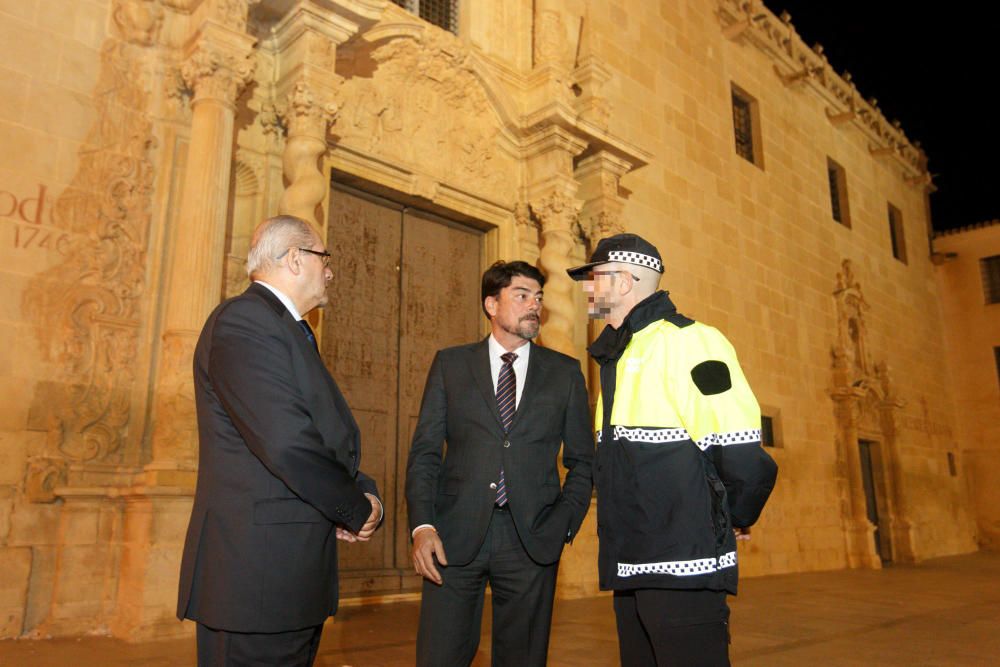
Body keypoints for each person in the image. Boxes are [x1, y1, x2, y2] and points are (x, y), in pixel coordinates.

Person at [177, 215, 383, 667]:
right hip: (256, 583)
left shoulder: (287, 329)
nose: (329, 271)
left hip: (286, 582)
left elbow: (322, 436)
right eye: (323, 258)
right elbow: (288, 443)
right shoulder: (245, 320)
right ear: (294, 259)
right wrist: (354, 507)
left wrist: (366, 492)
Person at [567, 233, 778, 667]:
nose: (588, 291)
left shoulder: (691, 341)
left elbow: (740, 450)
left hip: (684, 560)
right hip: (631, 561)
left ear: (624, 282)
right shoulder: (621, 354)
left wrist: (731, 515)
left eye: (595, 280)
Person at [405, 260, 594, 666]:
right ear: (491, 304)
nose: (534, 306)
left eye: (538, 298)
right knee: (439, 656)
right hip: (453, 537)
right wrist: (422, 526)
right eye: (522, 296)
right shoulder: (451, 365)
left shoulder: (565, 374)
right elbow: (424, 453)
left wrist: (562, 523)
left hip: (531, 539)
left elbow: (583, 462)